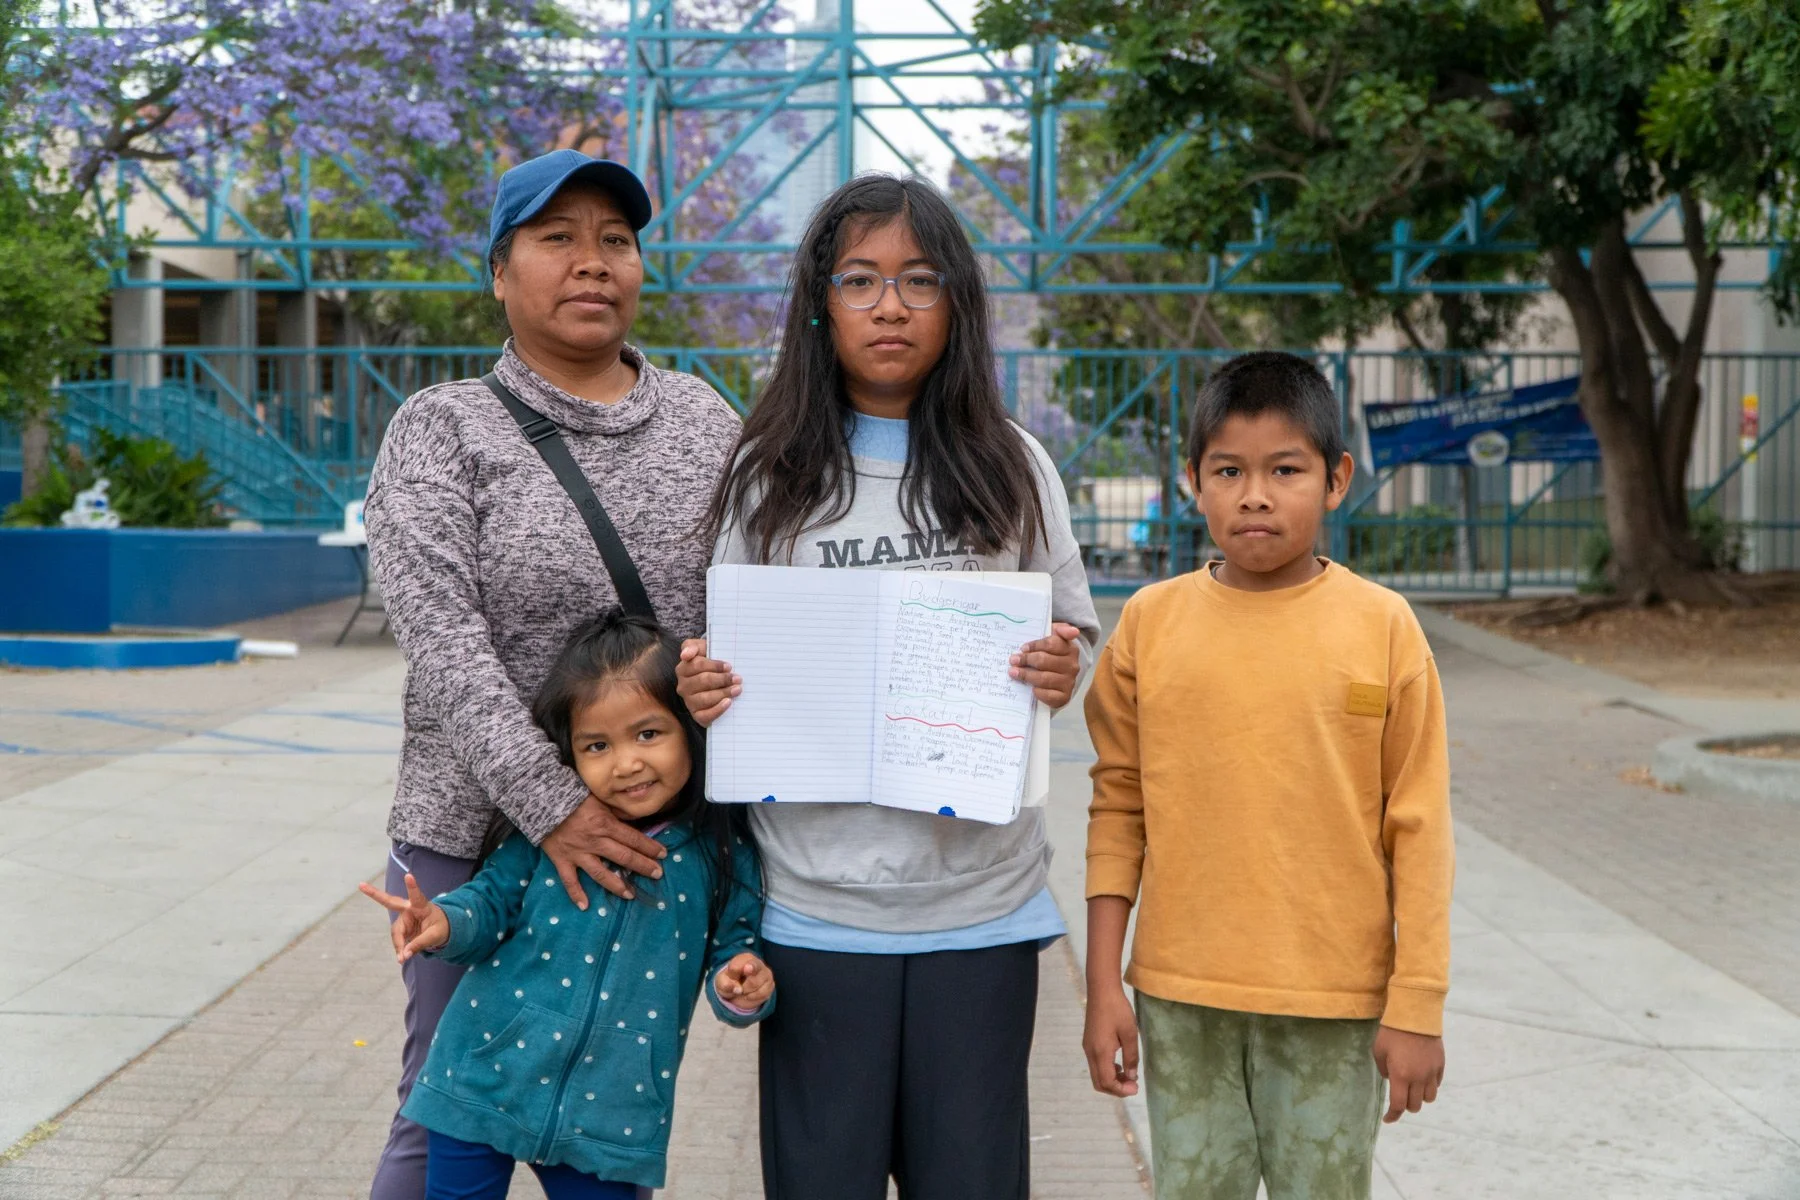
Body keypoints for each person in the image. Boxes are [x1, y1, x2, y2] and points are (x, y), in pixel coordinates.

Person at [676, 174, 1102, 1200]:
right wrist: (702, 685)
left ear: (958, 301)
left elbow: (1073, 628)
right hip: (817, 914)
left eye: (919, 279)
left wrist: (1059, 661)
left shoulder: (1013, 463)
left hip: (983, 910)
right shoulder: (766, 473)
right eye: (860, 280)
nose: (891, 305)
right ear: (820, 304)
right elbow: (722, 653)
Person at [362, 149, 743, 1200]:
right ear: (499, 270)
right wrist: (554, 809)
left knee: (606, 1120)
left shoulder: (711, 424)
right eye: (556, 238)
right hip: (471, 836)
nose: (592, 263)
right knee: (442, 1111)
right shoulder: (441, 430)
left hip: (643, 845)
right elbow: (444, 645)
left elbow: (747, 617)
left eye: (615, 240)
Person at [1080, 351, 1454, 1200]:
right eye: (1229, 471)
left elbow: (1421, 828)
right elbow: (1117, 809)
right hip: (1181, 998)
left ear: (1336, 479)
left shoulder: (1384, 628)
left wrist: (1417, 1002)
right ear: (1192, 481)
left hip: (1336, 1000)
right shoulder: (1149, 625)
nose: (1255, 494)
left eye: (1285, 469)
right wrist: (1106, 986)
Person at [360, 610, 774, 1200]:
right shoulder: (546, 837)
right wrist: (442, 921)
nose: (627, 762)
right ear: (570, 754)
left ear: (692, 728)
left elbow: (736, 950)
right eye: (597, 745)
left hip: (614, 1109)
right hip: (482, 1075)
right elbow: (487, 904)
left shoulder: (724, 853)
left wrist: (743, 982)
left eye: (649, 734)